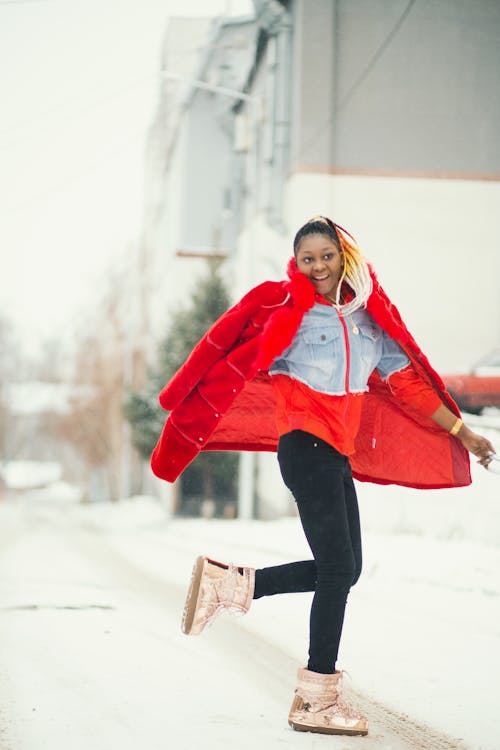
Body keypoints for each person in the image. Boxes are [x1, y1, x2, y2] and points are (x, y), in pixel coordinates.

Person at [151, 216, 495, 737]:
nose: (317, 268)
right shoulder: (290, 314)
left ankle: (232, 586)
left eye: (326, 257)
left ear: (345, 258)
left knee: (347, 568)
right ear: (297, 263)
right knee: (337, 570)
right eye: (307, 259)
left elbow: (410, 384)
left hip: (335, 452)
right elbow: (239, 358)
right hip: (303, 446)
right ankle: (316, 698)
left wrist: (463, 431)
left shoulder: (368, 321)